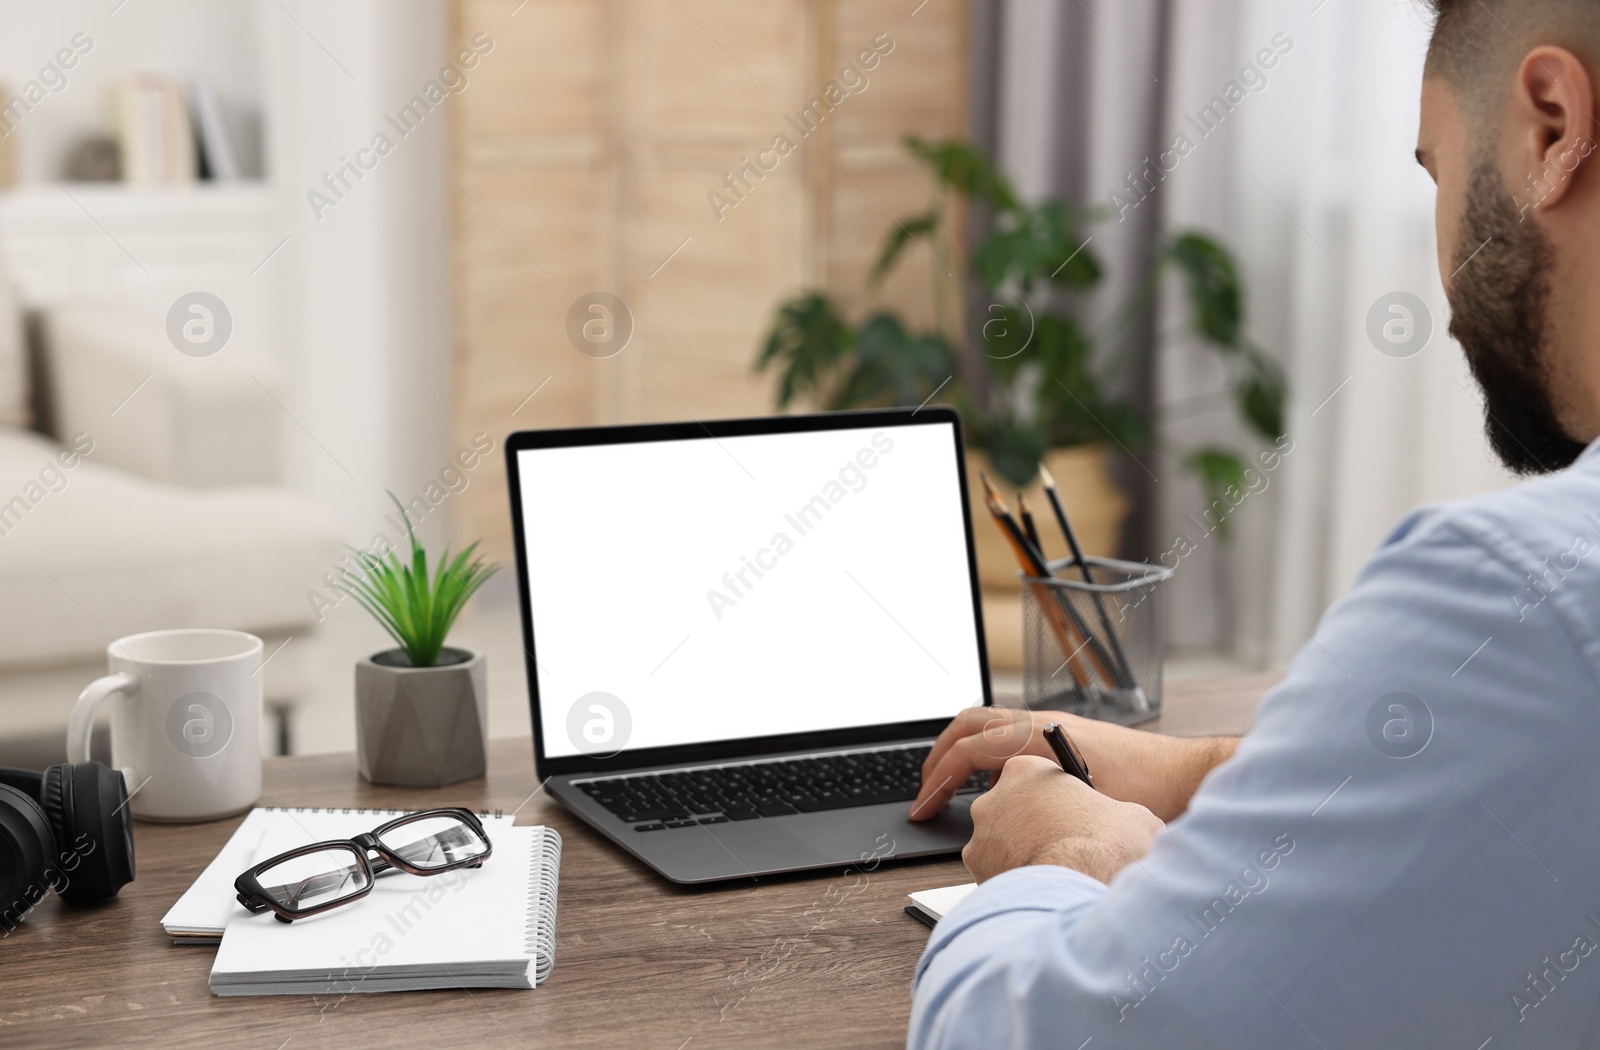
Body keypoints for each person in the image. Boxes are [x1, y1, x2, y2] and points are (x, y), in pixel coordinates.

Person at [905, 2, 1600, 1046]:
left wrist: (1069, 858)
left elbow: (1037, 1033)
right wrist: (1196, 774)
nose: (1443, 280)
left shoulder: (1520, 594)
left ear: (1549, 128)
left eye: (1435, 172)